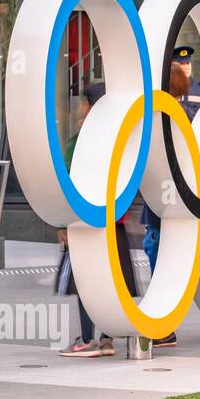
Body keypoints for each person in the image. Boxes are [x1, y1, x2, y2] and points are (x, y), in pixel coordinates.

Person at [57, 81, 138, 358]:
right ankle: (105, 338)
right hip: (114, 221)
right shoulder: (120, 137)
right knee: (112, 283)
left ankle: (88, 339)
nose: (80, 108)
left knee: (86, 282)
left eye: (83, 102)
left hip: (87, 222)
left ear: (92, 106)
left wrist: (62, 223)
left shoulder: (83, 139)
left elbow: (67, 179)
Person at [139, 45, 200, 349]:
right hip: (168, 189)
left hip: (180, 189)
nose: (185, 67)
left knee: (158, 247)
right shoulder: (160, 109)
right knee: (155, 245)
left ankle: (164, 320)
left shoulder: (198, 96)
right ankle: (163, 319)